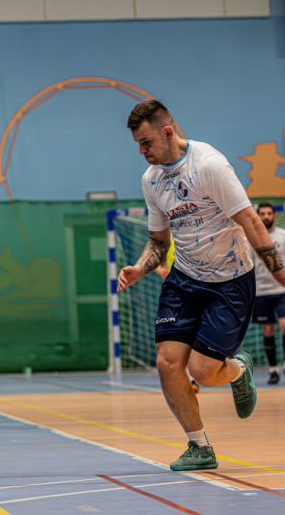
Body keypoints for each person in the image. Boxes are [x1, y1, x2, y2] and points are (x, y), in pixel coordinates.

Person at [117, 100, 285, 471]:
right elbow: (159, 242)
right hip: (185, 279)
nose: (142, 152)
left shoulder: (209, 165)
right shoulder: (152, 180)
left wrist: (280, 275)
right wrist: (139, 269)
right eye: (137, 145)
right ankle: (200, 448)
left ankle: (237, 370)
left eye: (146, 143)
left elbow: (252, 223)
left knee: (204, 372)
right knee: (167, 363)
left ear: (167, 132)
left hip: (230, 280)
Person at [154, 238, 200, 394]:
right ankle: (190, 378)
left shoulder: (196, 235)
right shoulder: (167, 238)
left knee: (197, 338)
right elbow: (157, 260)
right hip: (177, 295)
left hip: (199, 291)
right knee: (180, 339)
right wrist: (160, 270)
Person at [250, 202, 285, 385]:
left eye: (269, 213)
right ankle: (273, 370)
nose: (266, 216)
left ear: (274, 215)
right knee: (268, 330)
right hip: (262, 291)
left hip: (281, 289)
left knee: (284, 325)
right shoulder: (252, 238)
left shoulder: (282, 235)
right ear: (258, 216)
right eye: (262, 213)